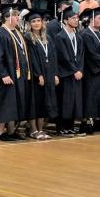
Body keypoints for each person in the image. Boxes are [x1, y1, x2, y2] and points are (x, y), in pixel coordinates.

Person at [0, 5, 29, 141]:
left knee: (13, 104)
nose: (18, 18)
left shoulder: (17, 33)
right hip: (4, 77)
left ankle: (11, 131)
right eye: (16, 16)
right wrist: (3, 74)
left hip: (17, 76)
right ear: (7, 18)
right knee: (4, 104)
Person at [24, 11, 56, 140]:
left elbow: (53, 57)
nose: (36, 23)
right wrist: (39, 75)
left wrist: (55, 74)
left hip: (48, 74)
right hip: (36, 77)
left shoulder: (47, 37)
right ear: (29, 24)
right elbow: (31, 59)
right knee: (34, 103)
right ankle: (33, 130)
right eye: (33, 21)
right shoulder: (28, 38)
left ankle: (41, 129)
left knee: (44, 102)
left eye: (38, 21)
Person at [80, 7, 100, 134]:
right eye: (99, 18)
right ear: (92, 20)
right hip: (92, 71)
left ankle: (99, 120)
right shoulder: (86, 34)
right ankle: (88, 122)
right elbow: (91, 54)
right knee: (91, 96)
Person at [54, 7, 83, 136]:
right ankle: (61, 127)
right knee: (64, 101)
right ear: (66, 20)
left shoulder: (78, 36)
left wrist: (80, 70)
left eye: (77, 18)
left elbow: (82, 55)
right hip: (65, 74)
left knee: (74, 101)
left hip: (77, 73)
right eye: (73, 18)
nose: (76, 20)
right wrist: (74, 70)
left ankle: (70, 126)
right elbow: (63, 57)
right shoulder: (60, 36)